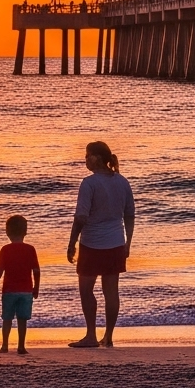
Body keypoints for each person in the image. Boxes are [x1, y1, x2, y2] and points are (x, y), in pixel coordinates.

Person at [66, 140, 135, 349]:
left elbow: (81, 217)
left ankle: (90, 335)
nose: (85, 159)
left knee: (86, 290)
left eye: (87, 155)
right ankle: (109, 336)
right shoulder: (122, 181)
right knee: (111, 292)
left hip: (92, 244)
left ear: (96, 158)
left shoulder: (89, 183)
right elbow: (129, 215)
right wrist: (127, 243)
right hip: (115, 243)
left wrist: (71, 243)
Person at [0, 214, 41, 355]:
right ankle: (21, 346)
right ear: (25, 231)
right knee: (22, 319)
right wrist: (36, 288)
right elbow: (36, 271)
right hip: (25, 291)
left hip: (9, 291)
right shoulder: (30, 249)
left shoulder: (5, 250)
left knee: (7, 319)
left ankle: (5, 346)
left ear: (7, 232)